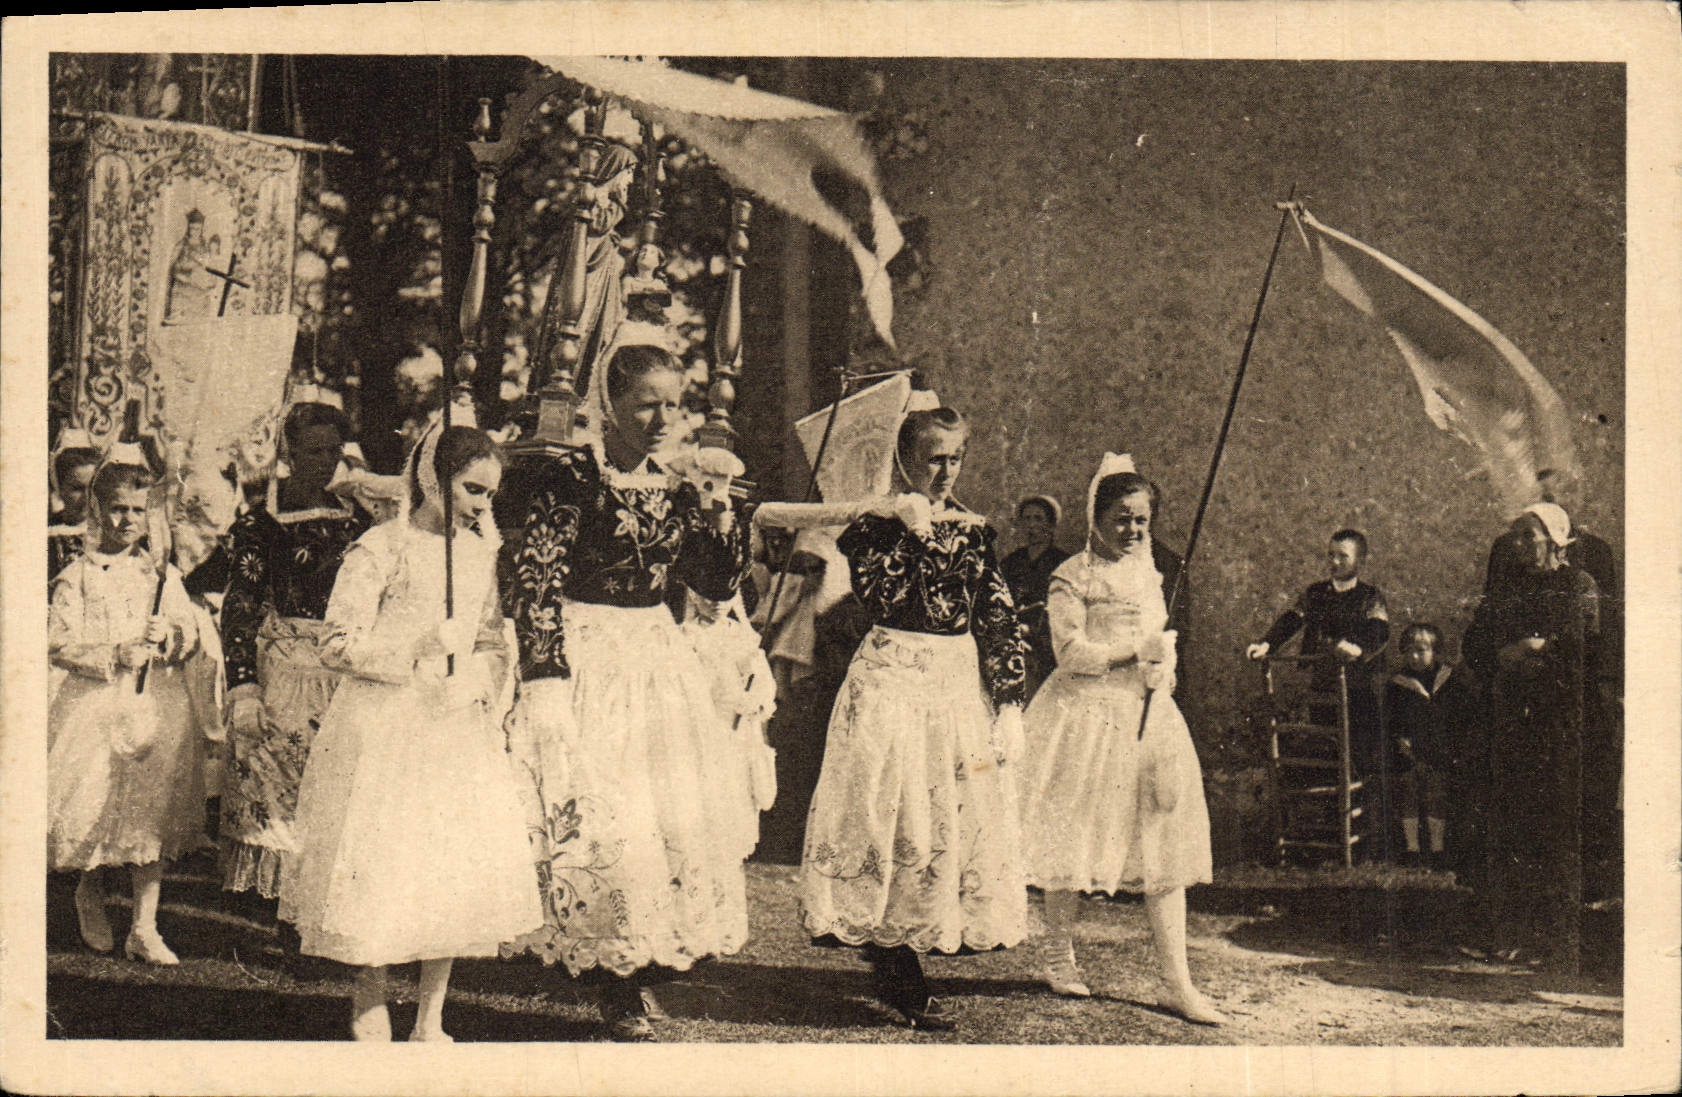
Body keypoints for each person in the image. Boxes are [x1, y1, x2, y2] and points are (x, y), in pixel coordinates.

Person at [500, 343, 751, 1042]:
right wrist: (544, 677)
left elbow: (716, 584)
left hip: (655, 656)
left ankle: (635, 963)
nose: (665, 417)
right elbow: (538, 581)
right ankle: (614, 980)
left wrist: (718, 515)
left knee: (659, 816)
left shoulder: (677, 482)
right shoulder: (571, 477)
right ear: (609, 403)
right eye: (648, 402)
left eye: (675, 402)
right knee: (607, 818)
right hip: (588, 657)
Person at [279, 424, 541, 1041]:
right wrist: (416, 649)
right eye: (471, 489)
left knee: (445, 861)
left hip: (453, 725)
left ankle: (431, 1015)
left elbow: (492, 638)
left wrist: (479, 676)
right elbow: (336, 645)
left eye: (490, 494)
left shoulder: (479, 553)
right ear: (432, 479)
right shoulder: (380, 547)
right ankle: (370, 997)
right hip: (383, 725)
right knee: (383, 857)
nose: (482, 505)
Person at [798, 406, 1030, 1033]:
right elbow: (887, 597)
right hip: (892, 676)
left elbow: (997, 611)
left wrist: (1008, 698)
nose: (947, 471)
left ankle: (905, 945)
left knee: (941, 815)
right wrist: (909, 530)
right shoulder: (874, 524)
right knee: (891, 808)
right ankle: (895, 959)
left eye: (955, 457)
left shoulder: (976, 529)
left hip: (954, 683)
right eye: (934, 458)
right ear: (905, 457)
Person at [1020, 457, 1223, 1025]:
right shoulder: (1072, 574)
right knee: (1074, 836)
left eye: (1142, 520)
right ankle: (1059, 955)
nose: (1133, 531)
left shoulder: (1152, 572)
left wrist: (1164, 671)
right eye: (1122, 519)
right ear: (1096, 517)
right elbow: (1071, 654)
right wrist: (1135, 654)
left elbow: (1164, 642)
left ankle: (1176, 982)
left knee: (1165, 845)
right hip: (1083, 718)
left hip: (1149, 716)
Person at [49, 449, 205, 965]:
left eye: (137, 511)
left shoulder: (161, 577)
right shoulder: (79, 575)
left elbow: (190, 636)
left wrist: (171, 638)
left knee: (150, 809)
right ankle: (89, 892)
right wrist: (113, 653)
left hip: (154, 703)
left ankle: (144, 923)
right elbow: (57, 643)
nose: (127, 521)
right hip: (97, 705)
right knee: (97, 797)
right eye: (117, 509)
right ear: (97, 509)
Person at [219, 403, 370, 919]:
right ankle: (279, 912)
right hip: (285, 669)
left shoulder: (360, 521)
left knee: (334, 788)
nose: (326, 461)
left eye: (334, 450)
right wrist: (243, 686)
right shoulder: (261, 524)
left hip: (344, 667)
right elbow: (239, 607)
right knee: (281, 786)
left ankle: (319, 903)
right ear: (288, 453)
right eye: (313, 451)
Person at [1461, 502, 1607, 969]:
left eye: (1529, 535)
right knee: (1509, 828)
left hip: (1561, 726)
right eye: (1518, 536)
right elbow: (1477, 643)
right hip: (1511, 723)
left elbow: (1582, 647)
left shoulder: (1579, 586)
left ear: (1556, 539)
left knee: (1557, 832)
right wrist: (1519, 649)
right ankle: (1508, 935)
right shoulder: (1508, 588)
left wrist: (1531, 649)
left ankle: (1559, 942)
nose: (1520, 544)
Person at [1246, 529, 1391, 821]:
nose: (1335, 562)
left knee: (1357, 755)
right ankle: (1328, 822)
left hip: (1356, 688)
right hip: (1322, 685)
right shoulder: (1315, 594)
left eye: (1343, 556)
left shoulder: (1369, 596)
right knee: (1326, 750)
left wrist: (1358, 648)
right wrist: (1267, 643)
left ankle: (1361, 826)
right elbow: (1292, 620)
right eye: (1331, 555)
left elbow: (1379, 630)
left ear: (1360, 560)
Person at [1383, 623, 1473, 869]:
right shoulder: (1399, 684)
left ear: (1435, 651)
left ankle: (1437, 848)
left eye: (1421, 651)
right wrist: (1400, 739)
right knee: (1410, 790)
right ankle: (1412, 848)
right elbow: (1392, 719)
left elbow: (1460, 718)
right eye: (1409, 651)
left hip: (1440, 751)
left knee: (1436, 792)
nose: (1414, 656)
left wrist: (1453, 747)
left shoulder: (1450, 680)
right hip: (1408, 752)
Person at [1000, 494, 1071, 700]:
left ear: (1051, 524)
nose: (1031, 525)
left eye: (1038, 519)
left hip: (1048, 645)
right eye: (1027, 519)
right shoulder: (1012, 562)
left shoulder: (1062, 564)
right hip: (1013, 641)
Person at [49, 434, 101, 583]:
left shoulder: (111, 533)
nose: (87, 497)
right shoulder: (48, 534)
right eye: (77, 489)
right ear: (59, 488)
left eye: (93, 488)